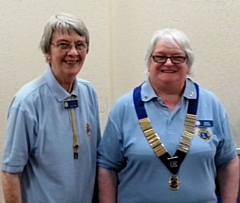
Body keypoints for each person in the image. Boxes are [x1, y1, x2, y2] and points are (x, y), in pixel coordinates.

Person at [97, 28, 239, 203]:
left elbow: (229, 162)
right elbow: (107, 167)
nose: (169, 63)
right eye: (160, 57)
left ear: (188, 64)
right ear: (149, 62)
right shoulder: (124, 107)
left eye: (178, 57)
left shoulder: (211, 104)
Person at [2, 13, 101, 203]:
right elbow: (10, 173)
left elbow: (96, 162)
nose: (73, 52)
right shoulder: (27, 102)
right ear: (47, 52)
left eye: (79, 45)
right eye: (63, 45)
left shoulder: (89, 93)